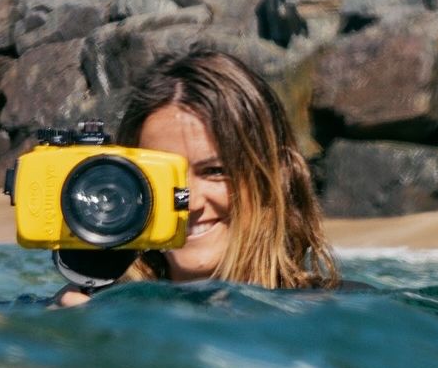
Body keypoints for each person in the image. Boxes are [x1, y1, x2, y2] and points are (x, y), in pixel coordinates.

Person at [56, 49, 339, 306]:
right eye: (163, 175)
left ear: (274, 178)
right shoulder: (87, 315)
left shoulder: (334, 315)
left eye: (215, 171)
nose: (189, 204)